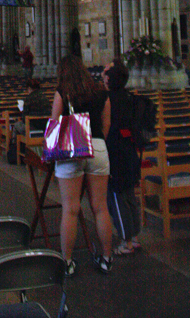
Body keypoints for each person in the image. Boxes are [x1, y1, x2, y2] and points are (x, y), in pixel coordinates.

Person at [52, 55, 113, 276]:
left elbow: (55, 123)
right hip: (97, 147)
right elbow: (106, 124)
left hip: (72, 148)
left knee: (70, 209)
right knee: (100, 206)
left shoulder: (63, 92)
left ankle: (67, 262)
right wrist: (95, 143)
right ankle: (106, 257)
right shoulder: (100, 92)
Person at [102, 58, 142, 255]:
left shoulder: (108, 99)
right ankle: (134, 237)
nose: (103, 74)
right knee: (129, 195)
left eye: (106, 73)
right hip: (129, 150)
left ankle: (125, 241)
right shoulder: (128, 97)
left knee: (116, 197)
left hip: (115, 152)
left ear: (110, 79)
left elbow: (106, 127)